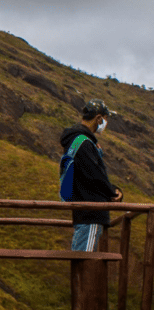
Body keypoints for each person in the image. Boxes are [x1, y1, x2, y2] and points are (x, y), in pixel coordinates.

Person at [59, 99, 122, 252]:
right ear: (98, 118)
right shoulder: (84, 143)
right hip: (91, 210)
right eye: (105, 119)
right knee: (85, 258)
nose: (105, 123)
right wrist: (113, 192)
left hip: (82, 208)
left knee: (80, 256)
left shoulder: (77, 140)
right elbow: (94, 174)